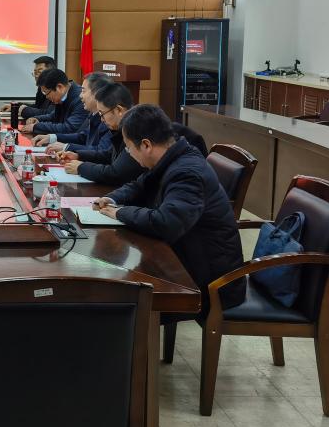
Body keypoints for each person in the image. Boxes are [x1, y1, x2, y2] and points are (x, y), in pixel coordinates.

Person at [95, 104, 245, 313]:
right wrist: (111, 198)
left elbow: (166, 223)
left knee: (120, 300)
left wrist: (120, 212)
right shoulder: (171, 157)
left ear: (146, 145)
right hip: (183, 257)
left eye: (128, 148)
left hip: (210, 282)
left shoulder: (187, 172)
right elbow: (139, 185)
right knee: (118, 286)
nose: (128, 153)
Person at [58, 82, 143, 187]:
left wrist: (81, 167)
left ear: (119, 110)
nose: (102, 120)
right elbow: (108, 155)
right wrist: (78, 155)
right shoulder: (121, 127)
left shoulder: (137, 129)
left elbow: (116, 173)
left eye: (102, 114)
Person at [35, 71, 113, 156]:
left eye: (83, 91)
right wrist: (52, 137)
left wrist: (66, 147)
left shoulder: (109, 119)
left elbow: (101, 151)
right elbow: (82, 137)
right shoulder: (94, 114)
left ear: (97, 93)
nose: (80, 95)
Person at [21, 68, 87, 135]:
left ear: (59, 87)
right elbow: (54, 116)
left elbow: (69, 128)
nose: (46, 97)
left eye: (46, 92)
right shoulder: (63, 96)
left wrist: (36, 127)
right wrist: (37, 119)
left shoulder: (80, 99)